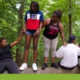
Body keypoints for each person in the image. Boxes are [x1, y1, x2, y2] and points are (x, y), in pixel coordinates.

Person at [19, 1, 44, 71]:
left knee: (35, 47)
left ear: (37, 6)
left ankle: (34, 63)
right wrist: (23, 28)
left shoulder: (40, 13)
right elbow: (25, 22)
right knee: (26, 46)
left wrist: (38, 30)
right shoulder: (28, 12)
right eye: (31, 6)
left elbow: (41, 23)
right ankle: (25, 63)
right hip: (28, 31)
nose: (32, 8)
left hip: (36, 31)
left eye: (34, 6)